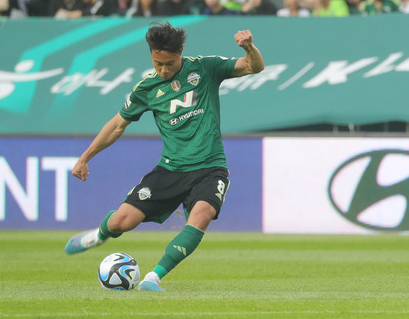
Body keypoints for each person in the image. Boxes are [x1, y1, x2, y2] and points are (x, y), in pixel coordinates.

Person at [64, 21, 265, 292]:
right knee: (121, 222)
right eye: (157, 63)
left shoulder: (205, 68)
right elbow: (117, 125)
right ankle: (99, 235)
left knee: (202, 215)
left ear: (181, 51)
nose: (163, 69)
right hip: (170, 169)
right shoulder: (146, 89)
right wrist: (85, 156)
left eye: (169, 63)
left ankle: (153, 277)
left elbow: (254, 66)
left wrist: (249, 48)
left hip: (210, 166)